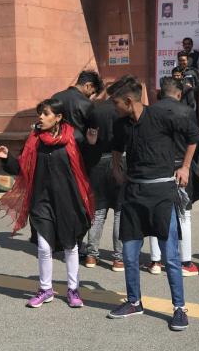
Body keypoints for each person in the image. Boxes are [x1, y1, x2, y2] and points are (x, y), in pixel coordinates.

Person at [106, 75, 199, 331]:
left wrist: (186, 167)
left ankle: (179, 308)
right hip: (133, 194)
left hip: (161, 195)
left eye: (115, 103)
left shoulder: (162, 116)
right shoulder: (121, 124)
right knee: (129, 254)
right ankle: (134, 302)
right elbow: (116, 147)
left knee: (170, 257)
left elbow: (193, 137)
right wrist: (116, 167)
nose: (113, 107)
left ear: (128, 101)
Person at [0, 99, 97, 309]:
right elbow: (22, 167)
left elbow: (89, 165)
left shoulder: (74, 137)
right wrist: (6, 158)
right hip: (41, 201)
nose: (40, 117)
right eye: (40, 113)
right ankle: (45, 289)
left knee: (70, 246)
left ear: (58, 117)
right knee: (44, 246)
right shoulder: (34, 139)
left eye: (45, 113)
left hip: (69, 201)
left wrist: (92, 145)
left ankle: (73, 290)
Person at [146, 78, 199, 277]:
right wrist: (188, 166)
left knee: (156, 213)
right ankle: (186, 261)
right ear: (179, 94)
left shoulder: (149, 112)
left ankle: (156, 261)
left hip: (157, 168)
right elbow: (195, 142)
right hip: (182, 166)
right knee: (184, 214)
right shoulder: (187, 112)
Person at [83, 97, 124, 272]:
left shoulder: (94, 111)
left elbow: (88, 138)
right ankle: (119, 259)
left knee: (98, 212)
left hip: (97, 161)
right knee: (119, 212)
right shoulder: (122, 111)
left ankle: (91, 254)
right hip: (120, 160)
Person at [51, 70, 103, 135]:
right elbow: (93, 129)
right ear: (88, 86)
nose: (90, 96)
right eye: (92, 92)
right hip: (77, 143)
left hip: (55, 141)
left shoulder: (55, 96)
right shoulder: (87, 104)